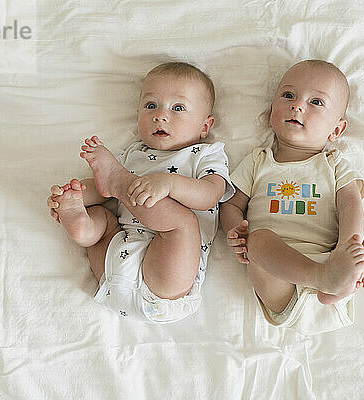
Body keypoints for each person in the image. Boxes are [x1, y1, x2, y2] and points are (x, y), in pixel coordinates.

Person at [48, 62, 235, 323]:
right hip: (115, 262)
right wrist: (76, 195)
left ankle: (116, 188)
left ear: (205, 126)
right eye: (151, 106)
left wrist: (170, 183)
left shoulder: (206, 154)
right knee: (102, 214)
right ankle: (83, 226)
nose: (160, 115)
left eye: (177, 108)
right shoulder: (134, 154)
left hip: (165, 285)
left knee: (182, 223)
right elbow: (103, 191)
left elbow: (210, 195)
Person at [220, 60, 364, 335]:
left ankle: (348, 277)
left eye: (316, 102)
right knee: (258, 239)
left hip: (333, 261)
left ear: (336, 130)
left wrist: (346, 250)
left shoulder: (334, 164)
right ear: (271, 111)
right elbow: (231, 204)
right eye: (288, 96)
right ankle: (328, 279)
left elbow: (350, 203)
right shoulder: (259, 161)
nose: (297, 106)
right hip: (281, 281)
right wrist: (234, 228)